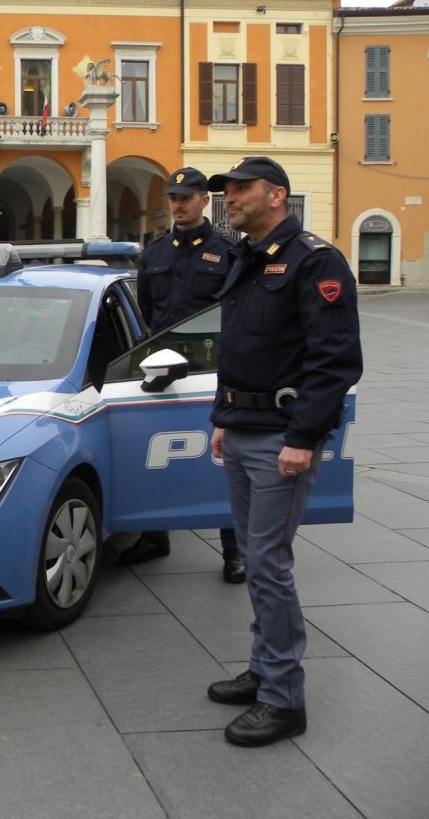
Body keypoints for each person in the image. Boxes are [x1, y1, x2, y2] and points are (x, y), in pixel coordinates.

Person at [204, 157, 362, 747]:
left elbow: (335, 361)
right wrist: (223, 417)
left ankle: (283, 697)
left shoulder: (315, 260)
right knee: (254, 554)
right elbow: (238, 348)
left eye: (241, 189)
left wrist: (302, 438)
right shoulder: (248, 257)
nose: (231, 199)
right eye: (229, 191)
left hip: (281, 436)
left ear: (277, 196)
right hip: (244, 427)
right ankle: (265, 666)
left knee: (268, 565)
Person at [121, 167, 246, 583]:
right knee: (156, 454)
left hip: (213, 370)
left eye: (186, 197)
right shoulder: (154, 253)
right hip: (164, 370)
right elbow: (149, 316)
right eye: (173, 197)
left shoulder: (228, 251)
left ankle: (234, 550)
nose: (178, 203)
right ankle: (155, 535)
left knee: (222, 459)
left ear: (203, 201)